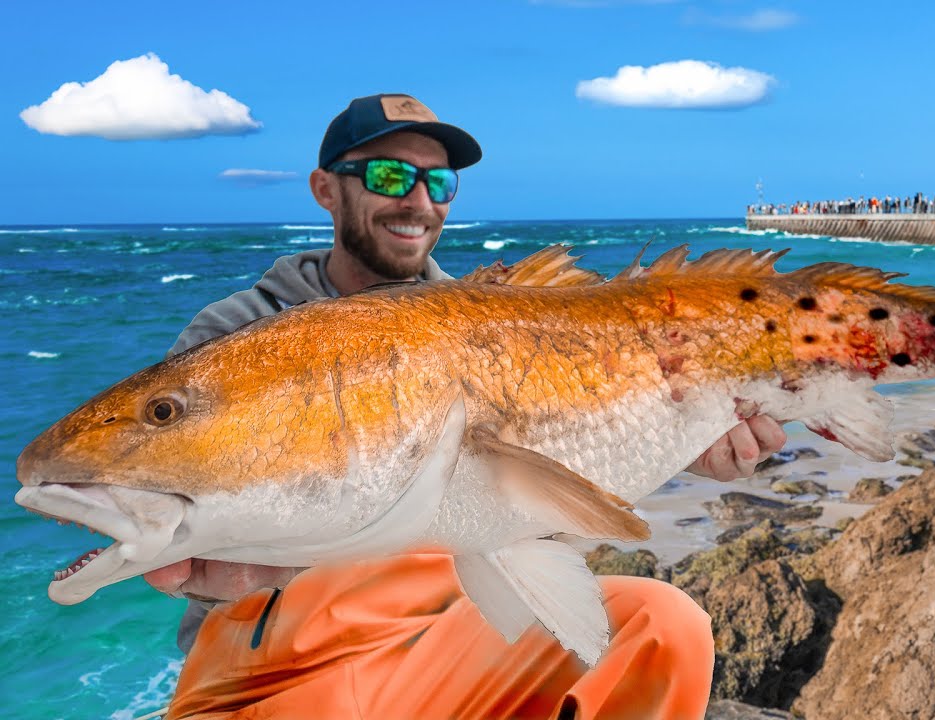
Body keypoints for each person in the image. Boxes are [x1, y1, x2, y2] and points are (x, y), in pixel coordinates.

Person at [146, 93, 787, 719]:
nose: (418, 201)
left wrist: (681, 439)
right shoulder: (237, 334)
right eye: (390, 174)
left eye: (440, 183)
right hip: (273, 669)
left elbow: (535, 508)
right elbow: (160, 508)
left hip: (450, 639)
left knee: (661, 626)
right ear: (325, 188)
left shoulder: (502, 325)